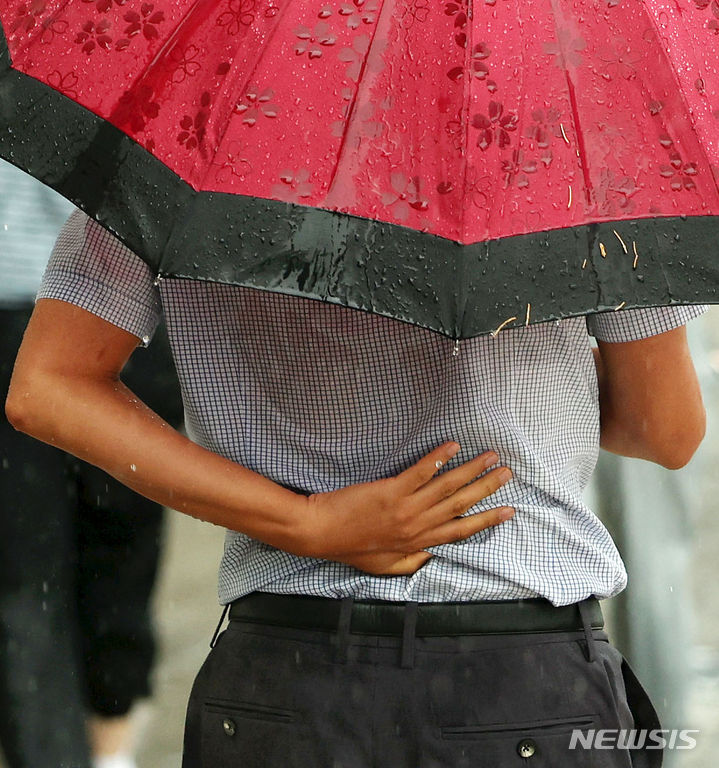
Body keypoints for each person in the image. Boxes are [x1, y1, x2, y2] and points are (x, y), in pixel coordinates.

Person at [5, 207, 707, 768]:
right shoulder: (574, 158)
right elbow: (664, 429)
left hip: (282, 675)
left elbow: (48, 388)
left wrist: (303, 522)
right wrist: (531, 370)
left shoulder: (190, 144)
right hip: (517, 678)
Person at [0, 162, 184, 768]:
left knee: (121, 562)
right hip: (12, 294)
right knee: (25, 580)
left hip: (133, 307)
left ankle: (110, 747)